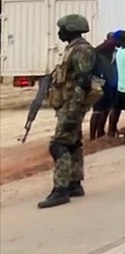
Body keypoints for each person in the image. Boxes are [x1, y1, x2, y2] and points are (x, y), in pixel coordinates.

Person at [39, 14, 98, 209]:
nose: (59, 32)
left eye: (62, 29)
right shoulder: (73, 48)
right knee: (73, 143)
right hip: (68, 102)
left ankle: (61, 190)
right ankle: (74, 184)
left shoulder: (81, 50)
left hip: (73, 103)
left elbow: (83, 80)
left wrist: (73, 111)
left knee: (59, 145)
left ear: (71, 29)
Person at [88, 32, 119, 141]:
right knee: (97, 109)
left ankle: (100, 132)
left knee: (106, 109)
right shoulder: (98, 52)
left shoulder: (115, 52)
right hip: (98, 81)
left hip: (111, 82)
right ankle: (92, 136)